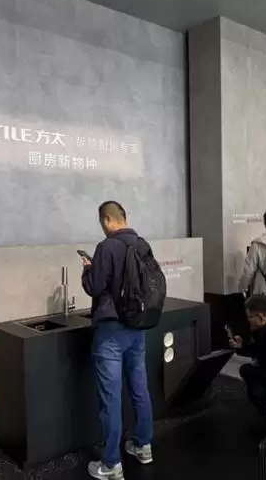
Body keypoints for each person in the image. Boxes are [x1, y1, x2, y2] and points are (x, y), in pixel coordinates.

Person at [81, 201, 153, 480]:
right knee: (139, 389)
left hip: (111, 330)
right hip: (138, 327)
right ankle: (143, 446)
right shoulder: (142, 244)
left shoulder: (106, 247)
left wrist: (88, 269)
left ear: (107, 220)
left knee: (110, 398)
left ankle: (111, 464)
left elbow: (95, 287)